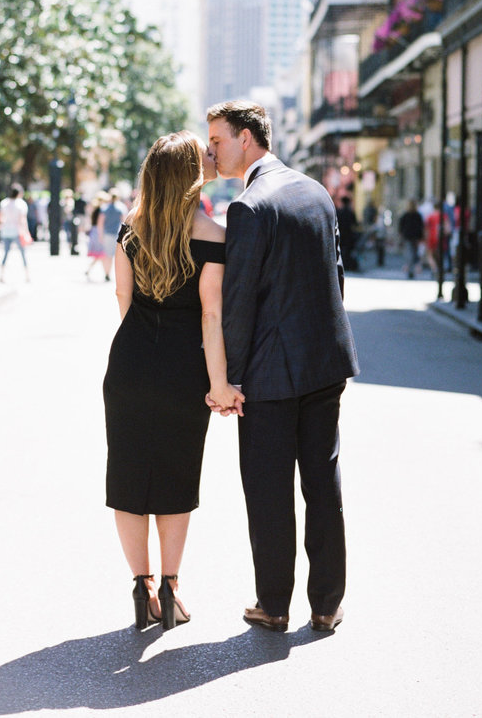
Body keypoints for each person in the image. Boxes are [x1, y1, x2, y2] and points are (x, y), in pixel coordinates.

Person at [206, 100, 359, 633]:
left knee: (269, 491)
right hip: (324, 365)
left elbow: (239, 301)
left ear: (246, 138)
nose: (211, 150)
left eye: (218, 140)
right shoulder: (316, 190)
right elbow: (336, 276)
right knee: (323, 484)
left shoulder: (247, 207)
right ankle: (327, 604)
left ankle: (273, 604)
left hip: (270, 377)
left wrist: (230, 380)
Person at [103, 131, 243, 630]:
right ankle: (170, 584)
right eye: (203, 154)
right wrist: (220, 384)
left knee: (127, 477)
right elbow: (211, 315)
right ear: (189, 175)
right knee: (176, 477)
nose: (211, 156)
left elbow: (122, 296)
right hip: (184, 368)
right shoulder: (214, 236)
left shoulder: (128, 228)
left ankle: (140, 588)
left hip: (131, 361)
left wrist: (141, 344)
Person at [0, 183, 30, 281]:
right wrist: (26, 231)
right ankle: (27, 275)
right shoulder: (21, 204)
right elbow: (23, 220)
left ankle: (1, 275)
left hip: (6, 231)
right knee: (23, 253)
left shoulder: (4, 203)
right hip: (17, 231)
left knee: (5, 253)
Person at [100, 190, 127, 282]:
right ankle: (115, 275)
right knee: (117, 256)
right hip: (117, 234)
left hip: (107, 234)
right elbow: (124, 221)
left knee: (107, 256)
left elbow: (100, 223)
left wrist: (100, 235)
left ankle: (107, 273)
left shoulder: (105, 208)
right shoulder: (121, 208)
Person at [398, 199, 425, 278]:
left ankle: (410, 269)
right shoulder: (417, 215)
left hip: (409, 236)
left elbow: (401, 226)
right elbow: (421, 226)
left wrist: (401, 234)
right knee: (413, 252)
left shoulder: (406, 215)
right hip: (414, 236)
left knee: (410, 252)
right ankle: (411, 269)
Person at [336, 194, 360, 272]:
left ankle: (342, 264)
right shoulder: (351, 213)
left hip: (341, 234)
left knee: (341, 250)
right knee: (349, 250)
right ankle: (348, 264)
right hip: (349, 235)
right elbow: (355, 224)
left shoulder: (339, 212)